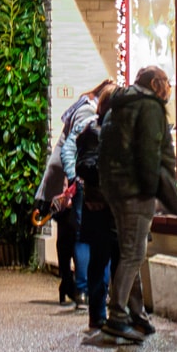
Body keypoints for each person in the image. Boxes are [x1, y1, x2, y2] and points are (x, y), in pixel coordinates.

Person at [96, 65, 177, 344]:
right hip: (134, 191)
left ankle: (135, 312)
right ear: (155, 84)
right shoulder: (148, 107)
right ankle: (117, 315)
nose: (169, 88)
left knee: (131, 251)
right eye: (166, 82)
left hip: (114, 189)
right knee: (133, 253)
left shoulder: (118, 104)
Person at [54, 79, 114, 310]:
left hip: (84, 186)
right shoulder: (105, 126)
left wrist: (74, 176)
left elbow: (67, 149)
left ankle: (83, 292)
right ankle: (96, 293)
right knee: (100, 240)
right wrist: (75, 177)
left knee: (83, 237)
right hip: (95, 189)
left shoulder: (86, 122)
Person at [64, 86, 118, 335]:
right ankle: (99, 313)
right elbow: (85, 165)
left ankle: (103, 312)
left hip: (100, 204)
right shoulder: (97, 131)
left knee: (104, 258)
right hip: (101, 205)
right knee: (103, 258)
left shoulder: (96, 130)